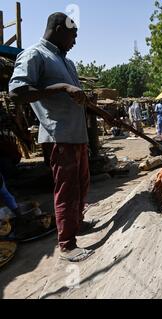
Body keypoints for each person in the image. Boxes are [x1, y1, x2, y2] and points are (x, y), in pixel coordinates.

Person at [9, 12, 94, 262]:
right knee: (67, 189)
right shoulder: (35, 55)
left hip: (78, 135)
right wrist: (62, 88)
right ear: (59, 28)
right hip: (59, 136)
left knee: (82, 185)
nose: (75, 41)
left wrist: (83, 98)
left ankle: (76, 224)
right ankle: (67, 244)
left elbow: (74, 97)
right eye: (73, 35)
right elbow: (17, 92)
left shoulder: (67, 62)